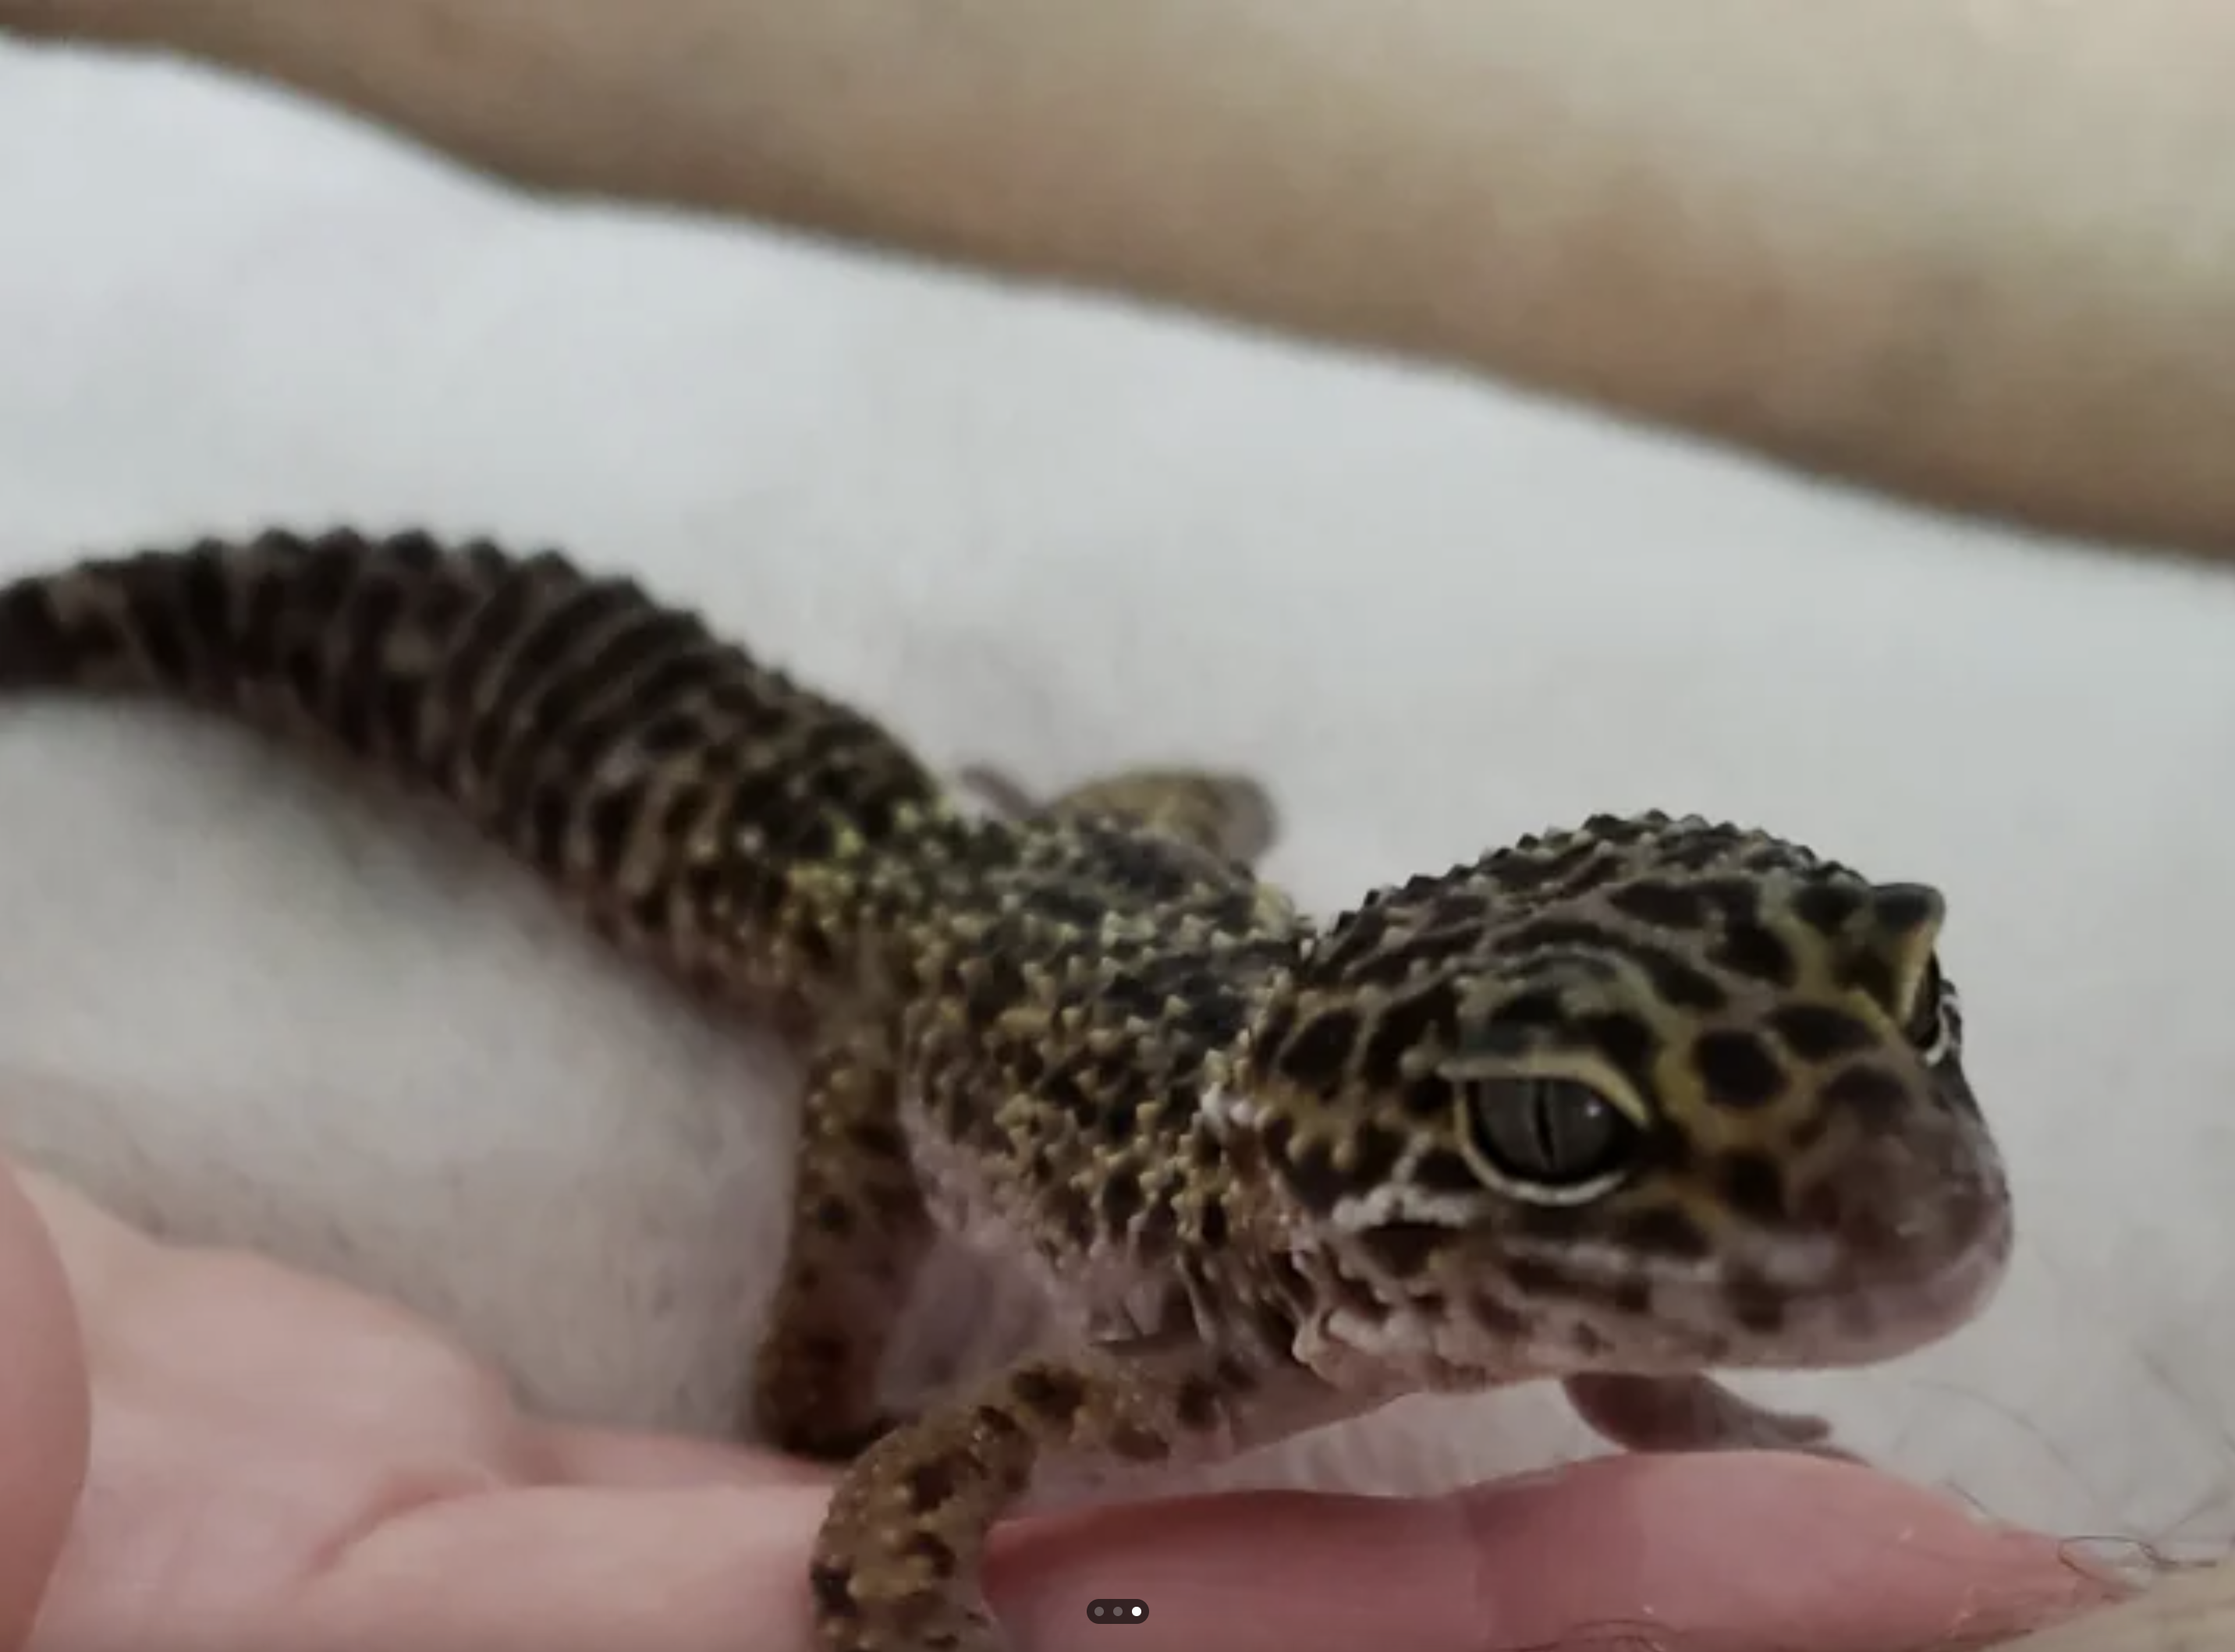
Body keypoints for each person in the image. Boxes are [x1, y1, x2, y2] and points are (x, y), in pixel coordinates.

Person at [0, 1150, 2104, 1650]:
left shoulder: (1467, 1261)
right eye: (1565, 1138)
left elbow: (1561, 1293)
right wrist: (837, 1442)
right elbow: (924, 1476)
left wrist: (1677, 1405)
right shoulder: (1201, 1338)